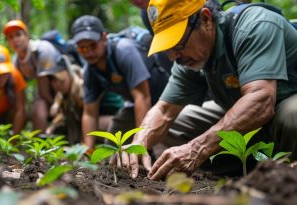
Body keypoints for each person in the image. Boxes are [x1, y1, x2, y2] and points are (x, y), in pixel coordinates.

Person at [121, 0, 297, 180]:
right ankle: (246, 168)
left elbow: (260, 101)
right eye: (167, 48)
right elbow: (164, 110)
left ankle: (287, 173)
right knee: (175, 125)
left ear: (205, 19)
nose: (174, 56)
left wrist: (196, 149)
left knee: (293, 114)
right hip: (251, 118)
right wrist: (139, 142)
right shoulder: (189, 56)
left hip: (282, 105)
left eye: (178, 43)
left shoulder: (255, 25)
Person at [70, 15, 169, 149]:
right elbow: (89, 113)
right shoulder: (90, 70)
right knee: (113, 145)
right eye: (82, 48)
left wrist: (140, 146)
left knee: (157, 149)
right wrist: (88, 150)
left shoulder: (124, 50)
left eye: (92, 45)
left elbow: (142, 97)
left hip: (165, 101)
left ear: (104, 38)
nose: (89, 53)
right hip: (139, 105)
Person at [39, 55, 124, 144]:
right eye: (52, 80)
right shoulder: (64, 94)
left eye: (60, 80)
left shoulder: (81, 88)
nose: (56, 84)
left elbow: (87, 116)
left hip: (113, 117)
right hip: (96, 118)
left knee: (88, 125)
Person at [3, 20, 62, 132]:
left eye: (18, 35)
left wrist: (56, 108)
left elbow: (44, 90)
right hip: (47, 96)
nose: (15, 40)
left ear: (26, 36)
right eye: (10, 37)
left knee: (39, 108)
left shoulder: (43, 50)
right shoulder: (16, 62)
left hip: (63, 92)